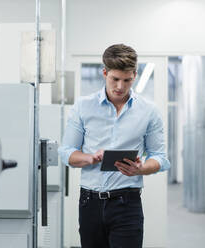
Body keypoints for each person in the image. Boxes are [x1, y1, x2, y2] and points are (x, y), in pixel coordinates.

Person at [58, 44, 171, 248]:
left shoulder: (149, 111)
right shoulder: (83, 107)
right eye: (115, 79)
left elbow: (161, 157)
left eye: (127, 80)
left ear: (135, 75)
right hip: (89, 203)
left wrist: (141, 168)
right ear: (104, 73)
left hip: (127, 204)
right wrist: (90, 158)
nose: (120, 86)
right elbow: (66, 152)